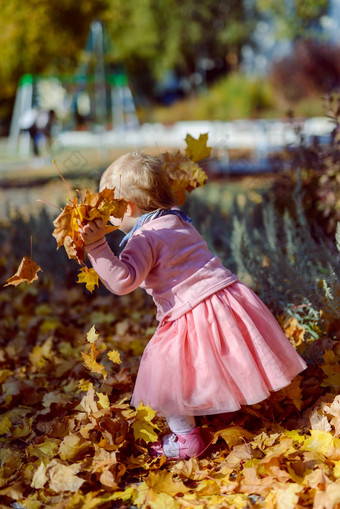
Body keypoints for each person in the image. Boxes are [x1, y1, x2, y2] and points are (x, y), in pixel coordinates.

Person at [79, 152, 307, 460]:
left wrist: (95, 247)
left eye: (109, 207)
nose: (107, 217)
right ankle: (225, 409)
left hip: (191, 309)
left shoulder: (143, 237)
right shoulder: (174, 219)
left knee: (169, 375)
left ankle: (185, 438)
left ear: (127, 207)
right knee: (221, 356)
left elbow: (123, 281)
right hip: (225, 296)